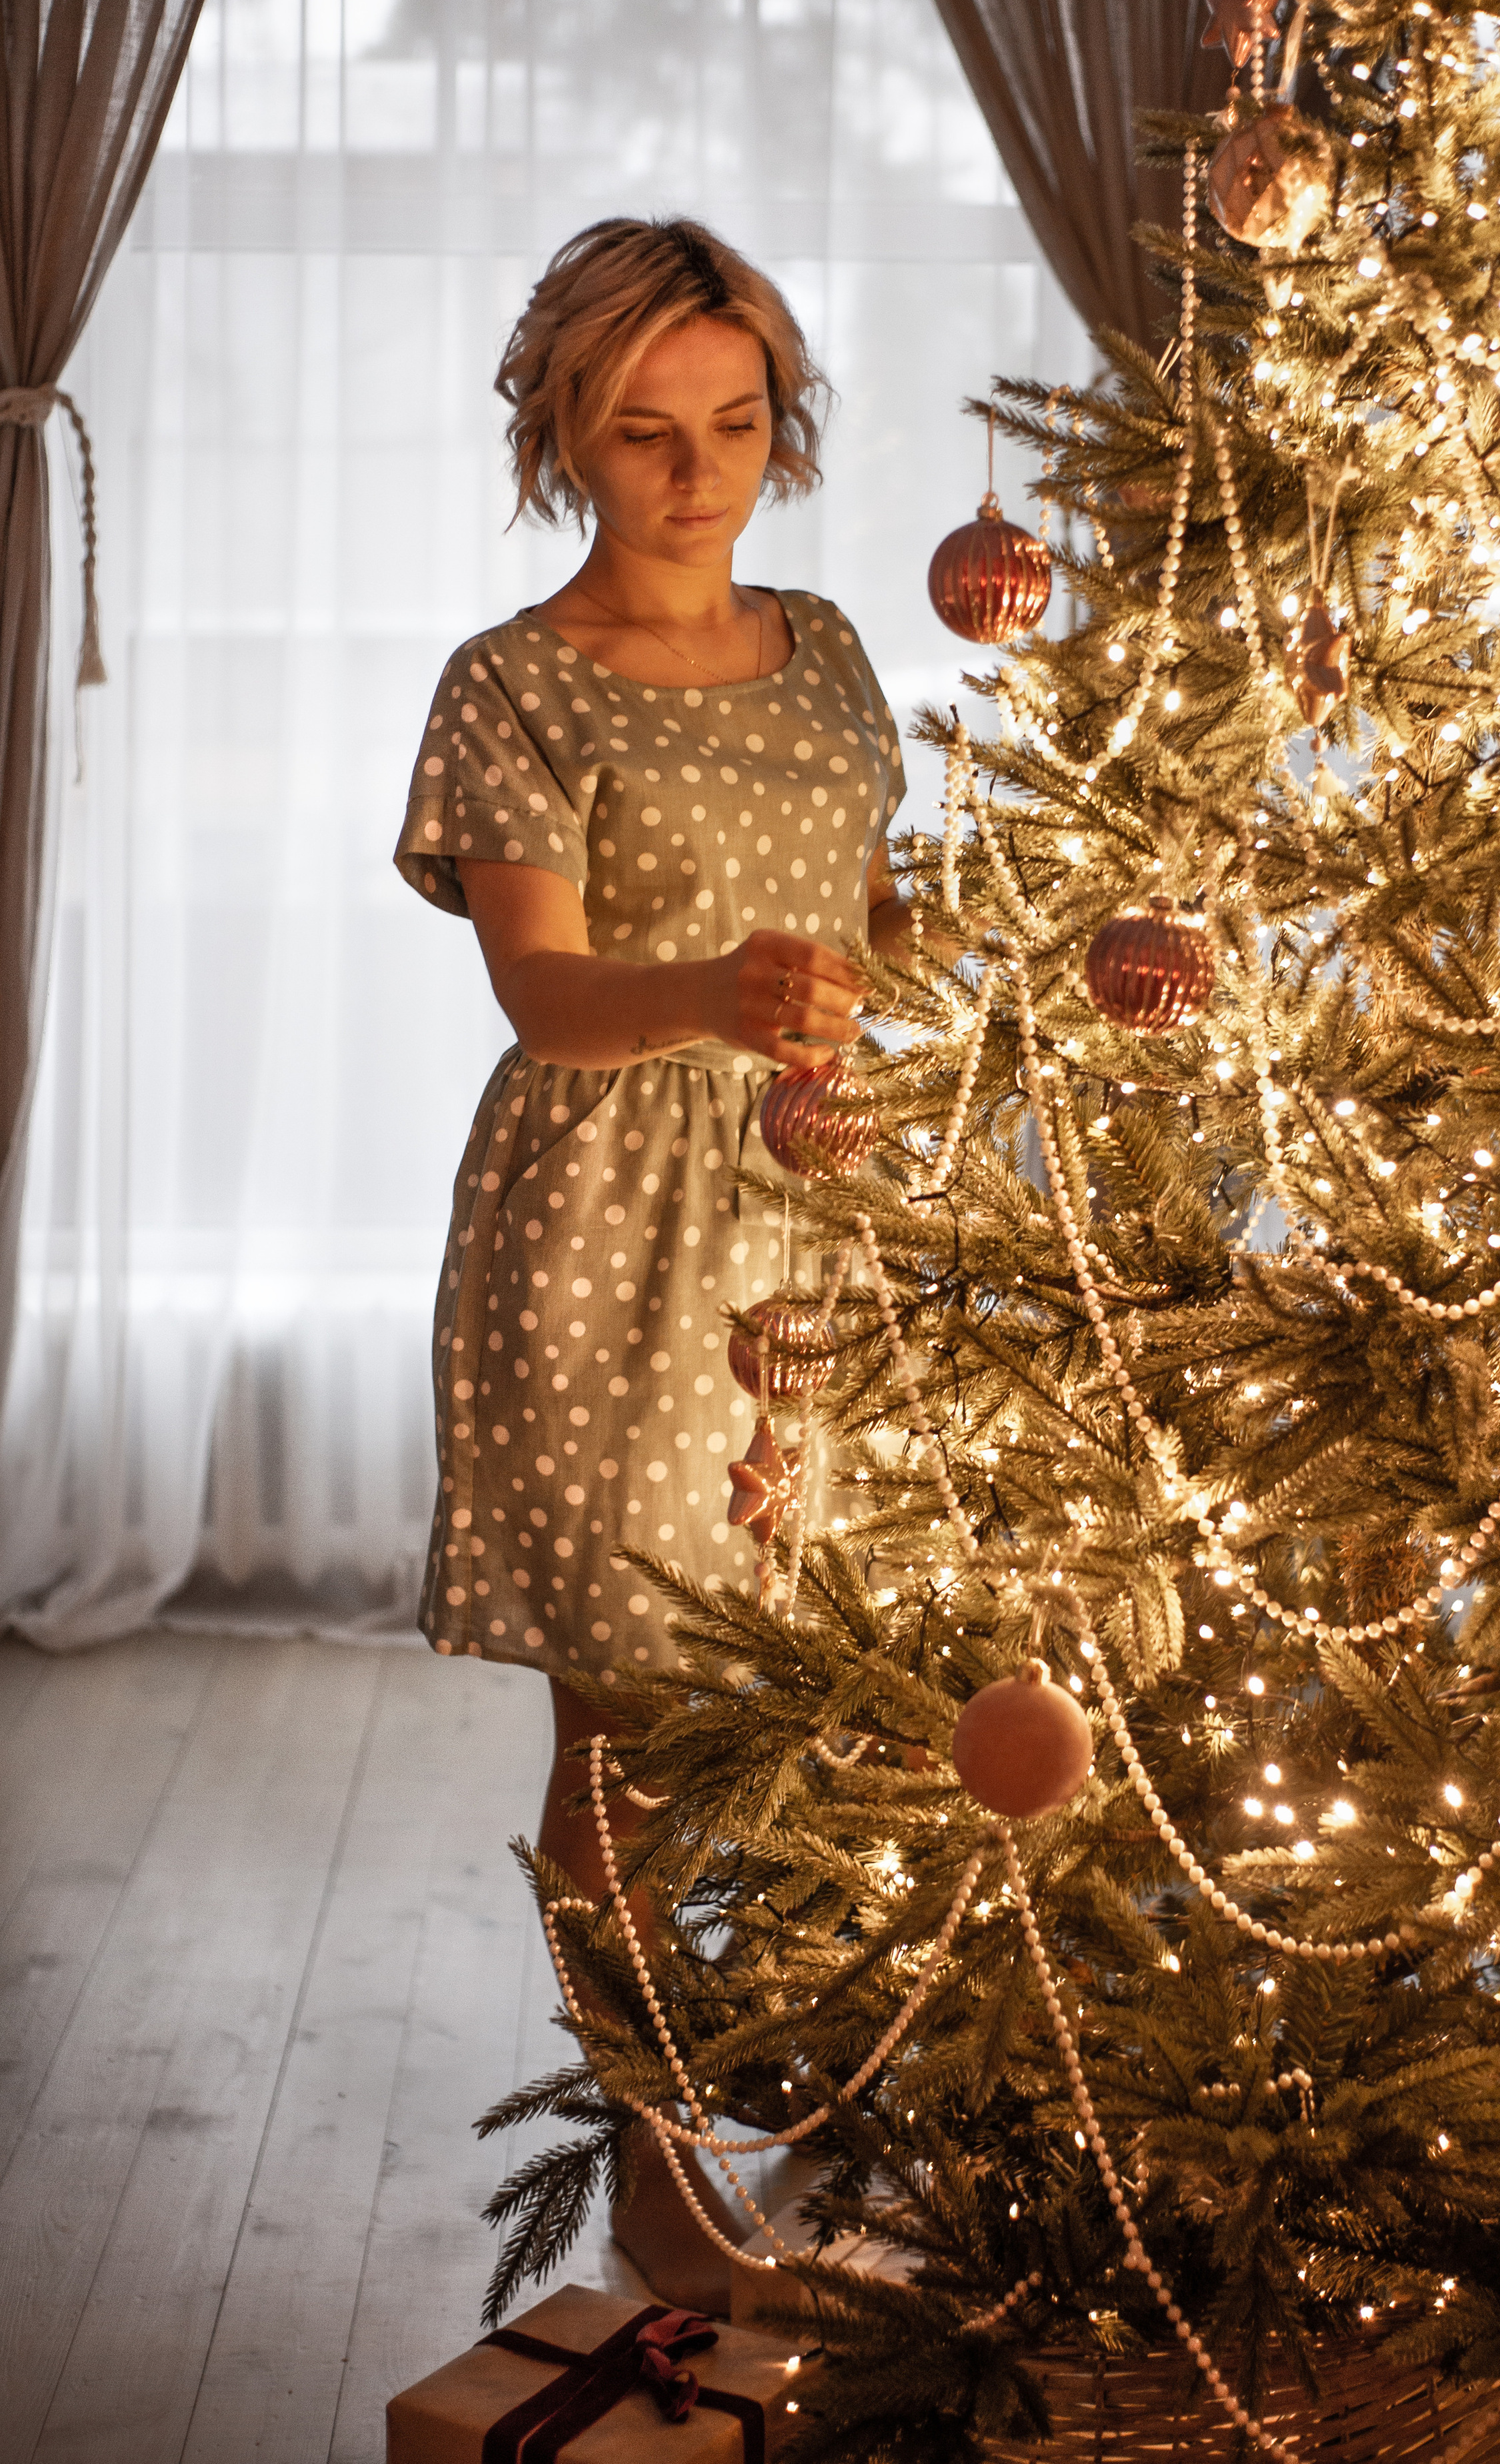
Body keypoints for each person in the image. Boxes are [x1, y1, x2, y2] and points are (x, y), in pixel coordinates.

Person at [393, 215, 914, 2309]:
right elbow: (547, 998)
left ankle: (789, 2071)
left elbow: (874, 944)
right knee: (628, 1716)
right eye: (643, 430)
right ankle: (652, 2135)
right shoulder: (510, 682)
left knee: (829, 1684)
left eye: (736, 420)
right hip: (612, 1226)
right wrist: (714, 985)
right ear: (565, 437)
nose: (697, 471)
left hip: (831, 1207)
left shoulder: (841, 647)